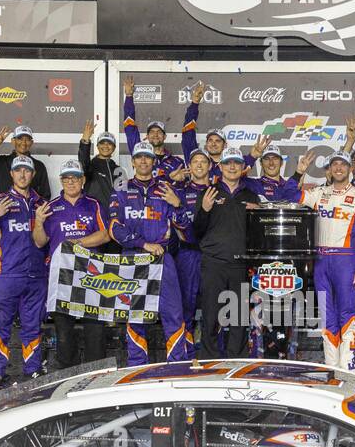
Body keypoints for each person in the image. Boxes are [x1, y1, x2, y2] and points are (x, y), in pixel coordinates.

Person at [109, 143, 188, 366]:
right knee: (135, 317)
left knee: (173, 313)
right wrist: (144, 244)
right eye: (139, 157)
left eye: (148, 157)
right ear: (132, 162)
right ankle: (137, 366)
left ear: (154, 162)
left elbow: (185, 228)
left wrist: (178, 204)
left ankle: (178, 364)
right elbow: (115, 228)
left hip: (163, 259)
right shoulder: (121, 189)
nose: (143, 161)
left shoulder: (165, 189)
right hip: (133, 259)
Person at [296, 150, 355, 371]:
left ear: (350, 169)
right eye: (334, 164)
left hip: (346, 261)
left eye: (343, 164)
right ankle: (331, 370)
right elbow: (291, 195)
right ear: (329, 169)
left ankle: (348, 370)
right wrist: (298, 173)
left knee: (347, 315)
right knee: (326, 317)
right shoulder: (319, 193)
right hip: (321, 262)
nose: (339, 168)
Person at [0, 155, 46, 384]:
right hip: (6, 274)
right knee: (1, 323)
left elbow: (48, 241)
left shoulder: (41, 204)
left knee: (32, 324)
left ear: (33, 174)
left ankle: (33, 368)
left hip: (35, 276)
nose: (23, 175)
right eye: (18, 171)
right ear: (12, 174)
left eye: (27, 171)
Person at [35, 158, 110, 369]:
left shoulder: (94, 204)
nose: (71, 182)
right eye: (67, 178)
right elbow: (39, 241)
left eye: (75, 178)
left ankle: (97, 372)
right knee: (64, 328)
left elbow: (105, 235)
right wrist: (39, 223)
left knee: (94, 327)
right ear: (60, 180)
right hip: (61, 275)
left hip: (91, 274)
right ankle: (67, 371)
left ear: (83, 180)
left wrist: (77, 243)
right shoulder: (50, 207)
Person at [193, 148, 263, 359]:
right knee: (211, 315)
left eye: (237, 163)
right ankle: (208, 360)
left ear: (243, 167)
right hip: (213, 263)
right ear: (220, 166)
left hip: (240, 264)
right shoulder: (208, 192)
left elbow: (259, 236)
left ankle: (237, 360)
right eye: (228, 163)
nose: (232, 167)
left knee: (239, 316)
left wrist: (258, 215)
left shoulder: (251, 195)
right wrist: (204, 209)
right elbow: (196, 231)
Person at [171, 149, 214, 358]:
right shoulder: (179, 191)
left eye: (203, 161)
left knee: (215, 310)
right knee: (185, 309)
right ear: (190, 166)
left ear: (210, 166)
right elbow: (179, 225)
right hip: (188, 255)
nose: (199, 165)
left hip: (213, 257)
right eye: (195, 161)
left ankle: (214, 356)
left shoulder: (218, 191)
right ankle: (185, 357)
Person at [122, 75, 195, 182]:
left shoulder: (177, 162)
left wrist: (194, 104)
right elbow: (130, 128)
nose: (155, 134)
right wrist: (129, 96)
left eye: (159, 132)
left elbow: (183, 188)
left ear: (165, 136)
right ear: (146, 137)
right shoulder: (140, 155)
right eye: (151, 132)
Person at [0, 125, 52, 201]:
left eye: (27, 139)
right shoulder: (1, 162)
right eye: (20, 139)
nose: (23, 143)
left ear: (31, 142)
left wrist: (34, 210)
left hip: (29, 212)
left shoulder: (39, 166)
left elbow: (45, 195)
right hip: (5, 211)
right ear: (13, 141)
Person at [77, 120, 125, 243]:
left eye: (109, 144)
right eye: (102, 143)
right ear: (97, 146)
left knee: (113, 258)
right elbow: (83, 160)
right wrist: (85, 141)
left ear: (114, 147)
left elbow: (124, 198)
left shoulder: (119, 170)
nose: (105, 146)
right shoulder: (89, 166)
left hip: (114, 222)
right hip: (93, 219)